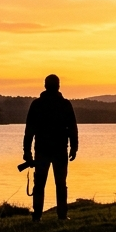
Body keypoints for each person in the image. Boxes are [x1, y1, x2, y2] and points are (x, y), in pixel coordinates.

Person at [23, 74, 79, 220]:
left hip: (43, 150)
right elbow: (72, 128)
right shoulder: (65, 104)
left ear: (45, 85)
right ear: (58, 86)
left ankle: (37, 216)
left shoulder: (37, 104)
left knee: (40, 183)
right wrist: (74, 147)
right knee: (60, 184)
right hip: (59, 149)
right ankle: (61, 215)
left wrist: (27, 151)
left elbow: (29, 130)